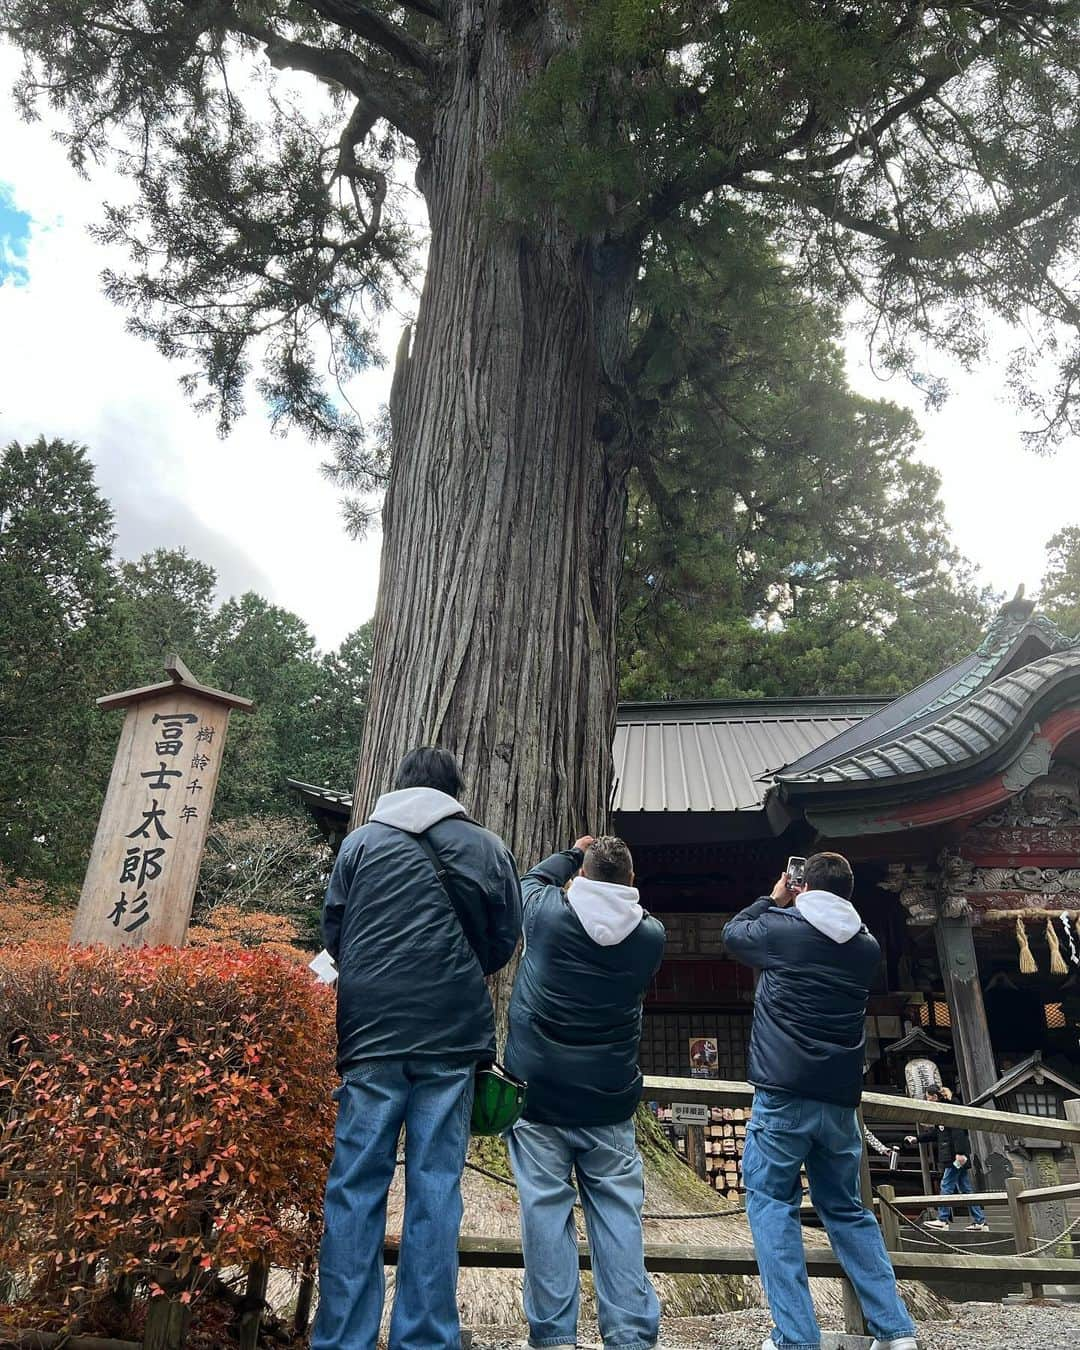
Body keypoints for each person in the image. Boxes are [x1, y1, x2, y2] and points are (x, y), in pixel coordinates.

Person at [312, 747, 523, 1350]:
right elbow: (503, 938)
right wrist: (459, 970)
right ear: (456, 790)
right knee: (436, 1186)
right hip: (452, 1036)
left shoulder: (359, 845)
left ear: (397, 786)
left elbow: (336, 932)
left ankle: (342, 1339)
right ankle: (425, 1338)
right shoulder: (486, 846)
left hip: (370, 1034)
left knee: (354, 1184)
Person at [723, 852, 918, 1350]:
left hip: (783, 1094)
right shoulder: (866, 946)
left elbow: (733, 935)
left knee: (771, 1206)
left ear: (803, 883)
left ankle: (795, 1337)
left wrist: (776, 897)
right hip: (838, 1101)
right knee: (848, 1209)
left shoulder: (783, 930)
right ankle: (895, 1332)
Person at [504, 835, 666, 1350]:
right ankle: (630, 1335)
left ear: (580, 877)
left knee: (544, 1213)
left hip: (539, 1094)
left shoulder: (547, 915)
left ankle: (553, 1338)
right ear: (632, 884)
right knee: (619, 1214)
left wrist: (573, 853)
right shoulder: (650, 937)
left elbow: (530, 880)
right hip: (609, 1098)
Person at [905, 1087, 988, 1232]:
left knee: (946, 1184)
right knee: (965, 1189)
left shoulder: (949, 1109)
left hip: (955, 1156)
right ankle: (980, 1221)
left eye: (928, 1097)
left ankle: (943, 1219)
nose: (927, 1099)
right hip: (954, 1155)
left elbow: (959, 1132)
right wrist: (917, 1139)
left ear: (935, 1097)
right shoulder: (941, 1112)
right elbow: (936, 1134)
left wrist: (960, 1153)